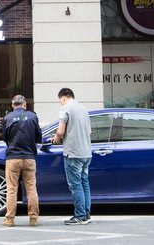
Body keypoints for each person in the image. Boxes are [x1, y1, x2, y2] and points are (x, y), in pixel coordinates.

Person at [51, 87, 92, 225]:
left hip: (73, 153)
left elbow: (61, 131)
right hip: (86, 153)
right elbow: (89, 131)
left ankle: (79, 216)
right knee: (84, 183)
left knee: (75, 185)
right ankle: (86, 214)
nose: (60, 103)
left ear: (64, 97)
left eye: (60, 101)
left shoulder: (66, 108)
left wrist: (56, 137)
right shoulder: (84, 109)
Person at [1, 94, 42, 227]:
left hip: (13, 158)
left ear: (13, 105)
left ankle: (9, 219)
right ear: (25, 105)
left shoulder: (7, 117)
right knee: (31, 189)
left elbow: (5, 138)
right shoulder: (33, 116)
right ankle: (33, 218)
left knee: (12, 189)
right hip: (29, 158)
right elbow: (39, 138)